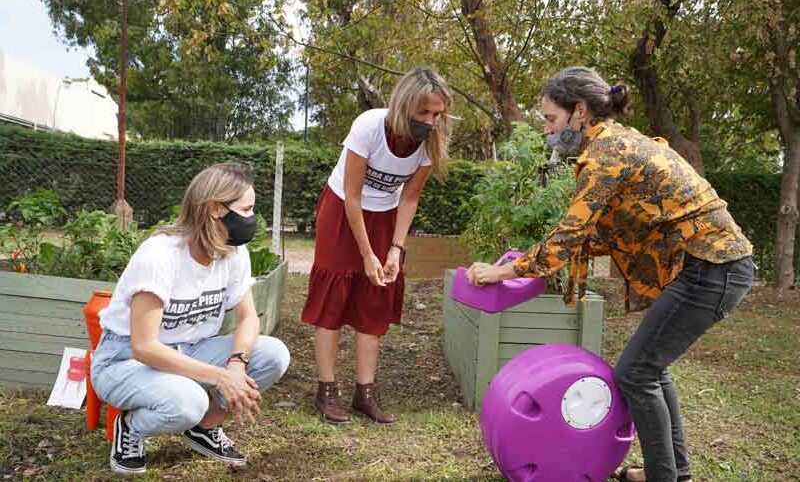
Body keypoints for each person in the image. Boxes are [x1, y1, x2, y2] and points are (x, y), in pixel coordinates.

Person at [466, 66, 754, 482]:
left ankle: (664, 477)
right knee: (649, 369)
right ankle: (673, 472)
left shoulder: (606, 154)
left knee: (636, 374)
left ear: (579, 112)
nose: (547, 130)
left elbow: (570, 236)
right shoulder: (618, 142)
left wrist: (505, 272)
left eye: (550, 119)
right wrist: (528, 262)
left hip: (711, 269)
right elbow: (603, 234)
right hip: (709, 267)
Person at [91, 162, 291, 475]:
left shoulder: (233, 252)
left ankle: (205, 428)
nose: (253, 219)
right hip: (125, 360)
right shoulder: (160, 255)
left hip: (191, 348)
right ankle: (131, 427)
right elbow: (144, 347)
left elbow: (249, 317)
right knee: (189, 403)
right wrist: (221, 377)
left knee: (273, 355)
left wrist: (237, 364)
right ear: (215, 209)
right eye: (247, 208)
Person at [301, 67, 453, 424]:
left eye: (437, 114)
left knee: (375, 297)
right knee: (334, 297)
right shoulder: (369, 126)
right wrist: (367, 254)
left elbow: (410, 198)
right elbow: (353, 196)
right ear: (404, 105)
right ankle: (326, 389)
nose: (430, 121)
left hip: (384, 215)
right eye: (423, 113)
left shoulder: (431, 141)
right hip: (342, 210)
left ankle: (364, 393)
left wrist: (394, 250)